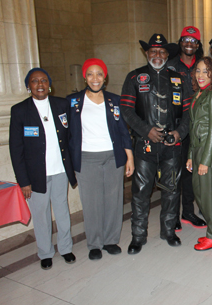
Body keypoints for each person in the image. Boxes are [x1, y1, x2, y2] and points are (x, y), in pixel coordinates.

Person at [120, 33, 189, 254]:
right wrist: (146, 130)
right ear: (147, 53)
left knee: (171, 191)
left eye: (161, 52)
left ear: (167, 55)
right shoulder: (134, 77)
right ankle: (138, 236)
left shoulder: (179, 78)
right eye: (153, 51)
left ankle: (169, 231)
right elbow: (126, 111)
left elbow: (189, 113)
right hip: (145, 147)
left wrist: (180, 133)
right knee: (140, 193)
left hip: (172, 147)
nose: (157, 55)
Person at [9, 68, 77, 270]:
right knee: (41, 215)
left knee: (62, 211)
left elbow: (71, 137)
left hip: (60, 171)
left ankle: (66, 249)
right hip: (35, 175)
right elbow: (16, 149)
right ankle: (45, 252)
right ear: (28, 86)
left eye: (44, 80)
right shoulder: (20, 110)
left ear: (50, 84)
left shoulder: (61, 104)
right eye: (34, 81)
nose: (40, 84)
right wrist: (23, 181)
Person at [67, 58, 134, 260]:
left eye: (99, 74)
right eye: (90, 74)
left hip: (113, 157)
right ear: (85, 77)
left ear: (105, 77)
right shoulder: (73, 101)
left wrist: (129, 157)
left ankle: (110, 240)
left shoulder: (114, 100)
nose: (95, 78)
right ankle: (94, 243)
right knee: (92, 202)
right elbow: (67, 132)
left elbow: (123, 132)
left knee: (114, 200)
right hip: (86, 158)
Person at [167, 26, 207, 230]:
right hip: (176, 126)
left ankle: (188, 212)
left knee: (191, 172)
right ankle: (172, 215)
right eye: (186, 40)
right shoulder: (170, 66)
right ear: (180, 42)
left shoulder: (202, 66)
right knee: (174, 171)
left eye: (193, 41)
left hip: (197, 126)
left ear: (198, 44)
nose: (189, 44)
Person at [186, 57, 212, 251]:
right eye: (198, 71)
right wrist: (191, 155)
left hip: (209, 151)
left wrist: (206, 160)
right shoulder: (198, 95)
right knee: (200, 193)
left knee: (209, 195)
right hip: (198, 150)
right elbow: (194, 127)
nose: (201, 75)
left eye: (206, 71)